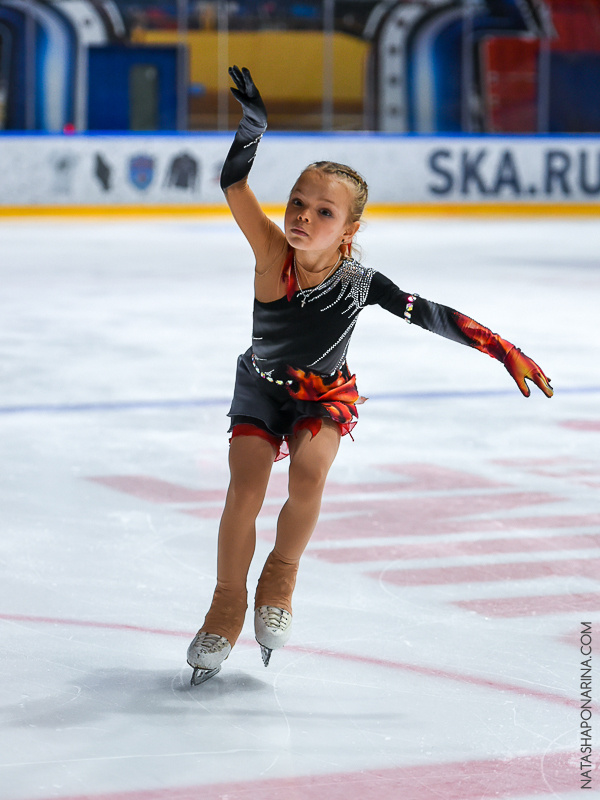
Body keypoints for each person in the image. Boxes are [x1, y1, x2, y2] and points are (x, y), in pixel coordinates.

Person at [186, 67, 553, 685]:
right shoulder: (271, 252)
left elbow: (431, 314)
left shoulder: (362, 285)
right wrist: (254, 128)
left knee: (309, 472)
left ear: (349, 230)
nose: (302, 216)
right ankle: (226, 604)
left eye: (322, 211)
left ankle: (282, 574)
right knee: (244, 490)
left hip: (323, 397)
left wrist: (502, 348)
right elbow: (233, 183)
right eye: (297, 203)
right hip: (260, 389)